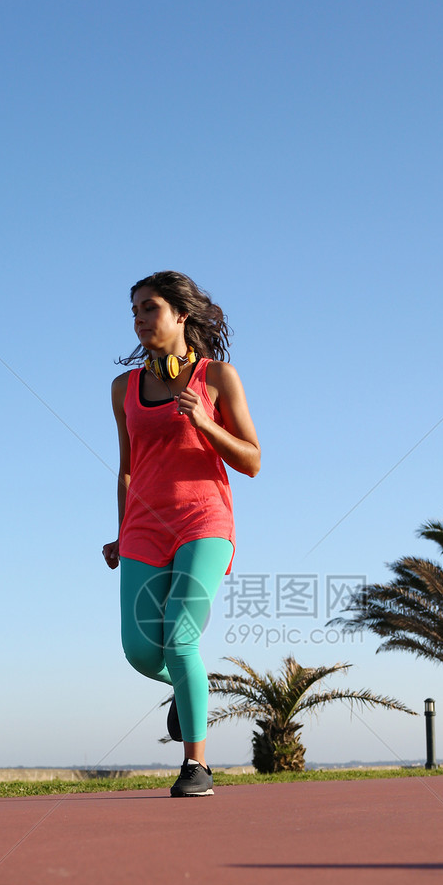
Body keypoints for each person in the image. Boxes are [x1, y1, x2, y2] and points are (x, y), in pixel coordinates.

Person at [102, 272, 260, 797]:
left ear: (180, 316)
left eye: (150, 308)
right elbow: (126, 469)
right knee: (142, 652)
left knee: (180, 635)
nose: (140, 319)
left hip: (203, 521)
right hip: (143, 528)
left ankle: (197, 765)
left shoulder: (217, 378)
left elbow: (254, 461)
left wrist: (206, 425)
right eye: (135, 312)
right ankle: (187, 686)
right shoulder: (123, 388)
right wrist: (119, 531)